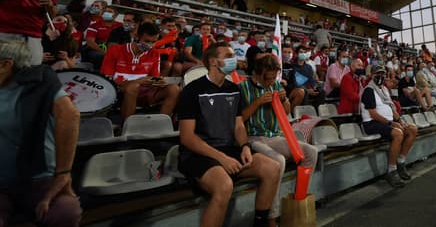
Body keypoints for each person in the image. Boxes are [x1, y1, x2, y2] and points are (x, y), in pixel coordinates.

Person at [177, 42, 281, 227]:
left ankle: (260, 223)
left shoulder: (233, 89)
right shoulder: (192, 90)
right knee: (224, 186)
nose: (234, 60)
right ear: (213, 61)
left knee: (272, 168)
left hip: (228, 150)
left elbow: (239, 126)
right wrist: (222, 158)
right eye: (229, 56)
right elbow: (187, 137)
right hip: (199, 155)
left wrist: (245, 147)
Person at [0, 38, 82, 226]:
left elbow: (70, 116)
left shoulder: (40, 83)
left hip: (39, 178)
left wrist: (63, 174)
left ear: (6, 64)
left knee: (65, 212)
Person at [239, 54, 318, 227]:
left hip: (274, 136)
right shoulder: (243, 87)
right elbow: (239, 119)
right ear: (259, 73)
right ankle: (271, 216)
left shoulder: (275, 84)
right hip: (253, 137)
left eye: (274, 77)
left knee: (311, 152)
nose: (272, 81)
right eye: (269, 78)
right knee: (278, 160)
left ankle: (298, 199)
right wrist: (257, 102)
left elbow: (287, 111)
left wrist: (285, 99)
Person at [100, 22, 180, 121]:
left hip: (144, 90)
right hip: (119, 90)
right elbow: (106, 80)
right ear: (137, 36)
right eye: (147, 41)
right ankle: (127, 126)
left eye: (153, 42)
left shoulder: (154, 53)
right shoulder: (115, 50)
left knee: (174, 89)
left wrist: (160, 81)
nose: (150, 45)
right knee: (133, 87)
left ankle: (161, 123)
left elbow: (154, 77)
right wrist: (137, 82)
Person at [361, 66, 417, 188]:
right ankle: (391, 170)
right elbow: (373, 114)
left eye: (382, 74)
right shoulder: (369, 90)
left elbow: (392, 108)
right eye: (377, 74)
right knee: (398, 133)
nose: (380, 76)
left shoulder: (385, 90)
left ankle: (401, 162)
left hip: (387, 121)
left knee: (412, 129)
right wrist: (391, 123)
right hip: (372, 123)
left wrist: (400, 120)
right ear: (371, 75)